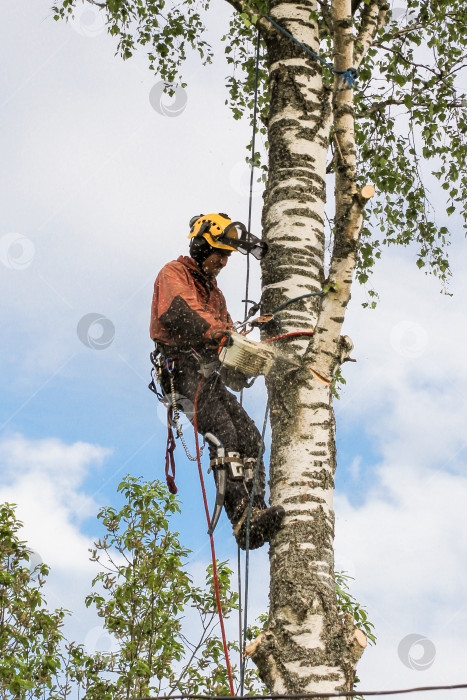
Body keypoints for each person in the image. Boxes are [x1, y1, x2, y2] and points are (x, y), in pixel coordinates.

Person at [149, 213, 285, 549]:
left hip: (207, 377)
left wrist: (244, 358)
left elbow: (224, 347)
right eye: (219, 254)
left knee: (251, 437)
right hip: (181, 376)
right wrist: (221, 334)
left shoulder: (217, 296)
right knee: (224, 432)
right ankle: (241, 517)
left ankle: (256, 510)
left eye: (227, 257)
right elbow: (179, 312)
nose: (223, 262)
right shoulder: (175, 273)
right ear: (200, 246)